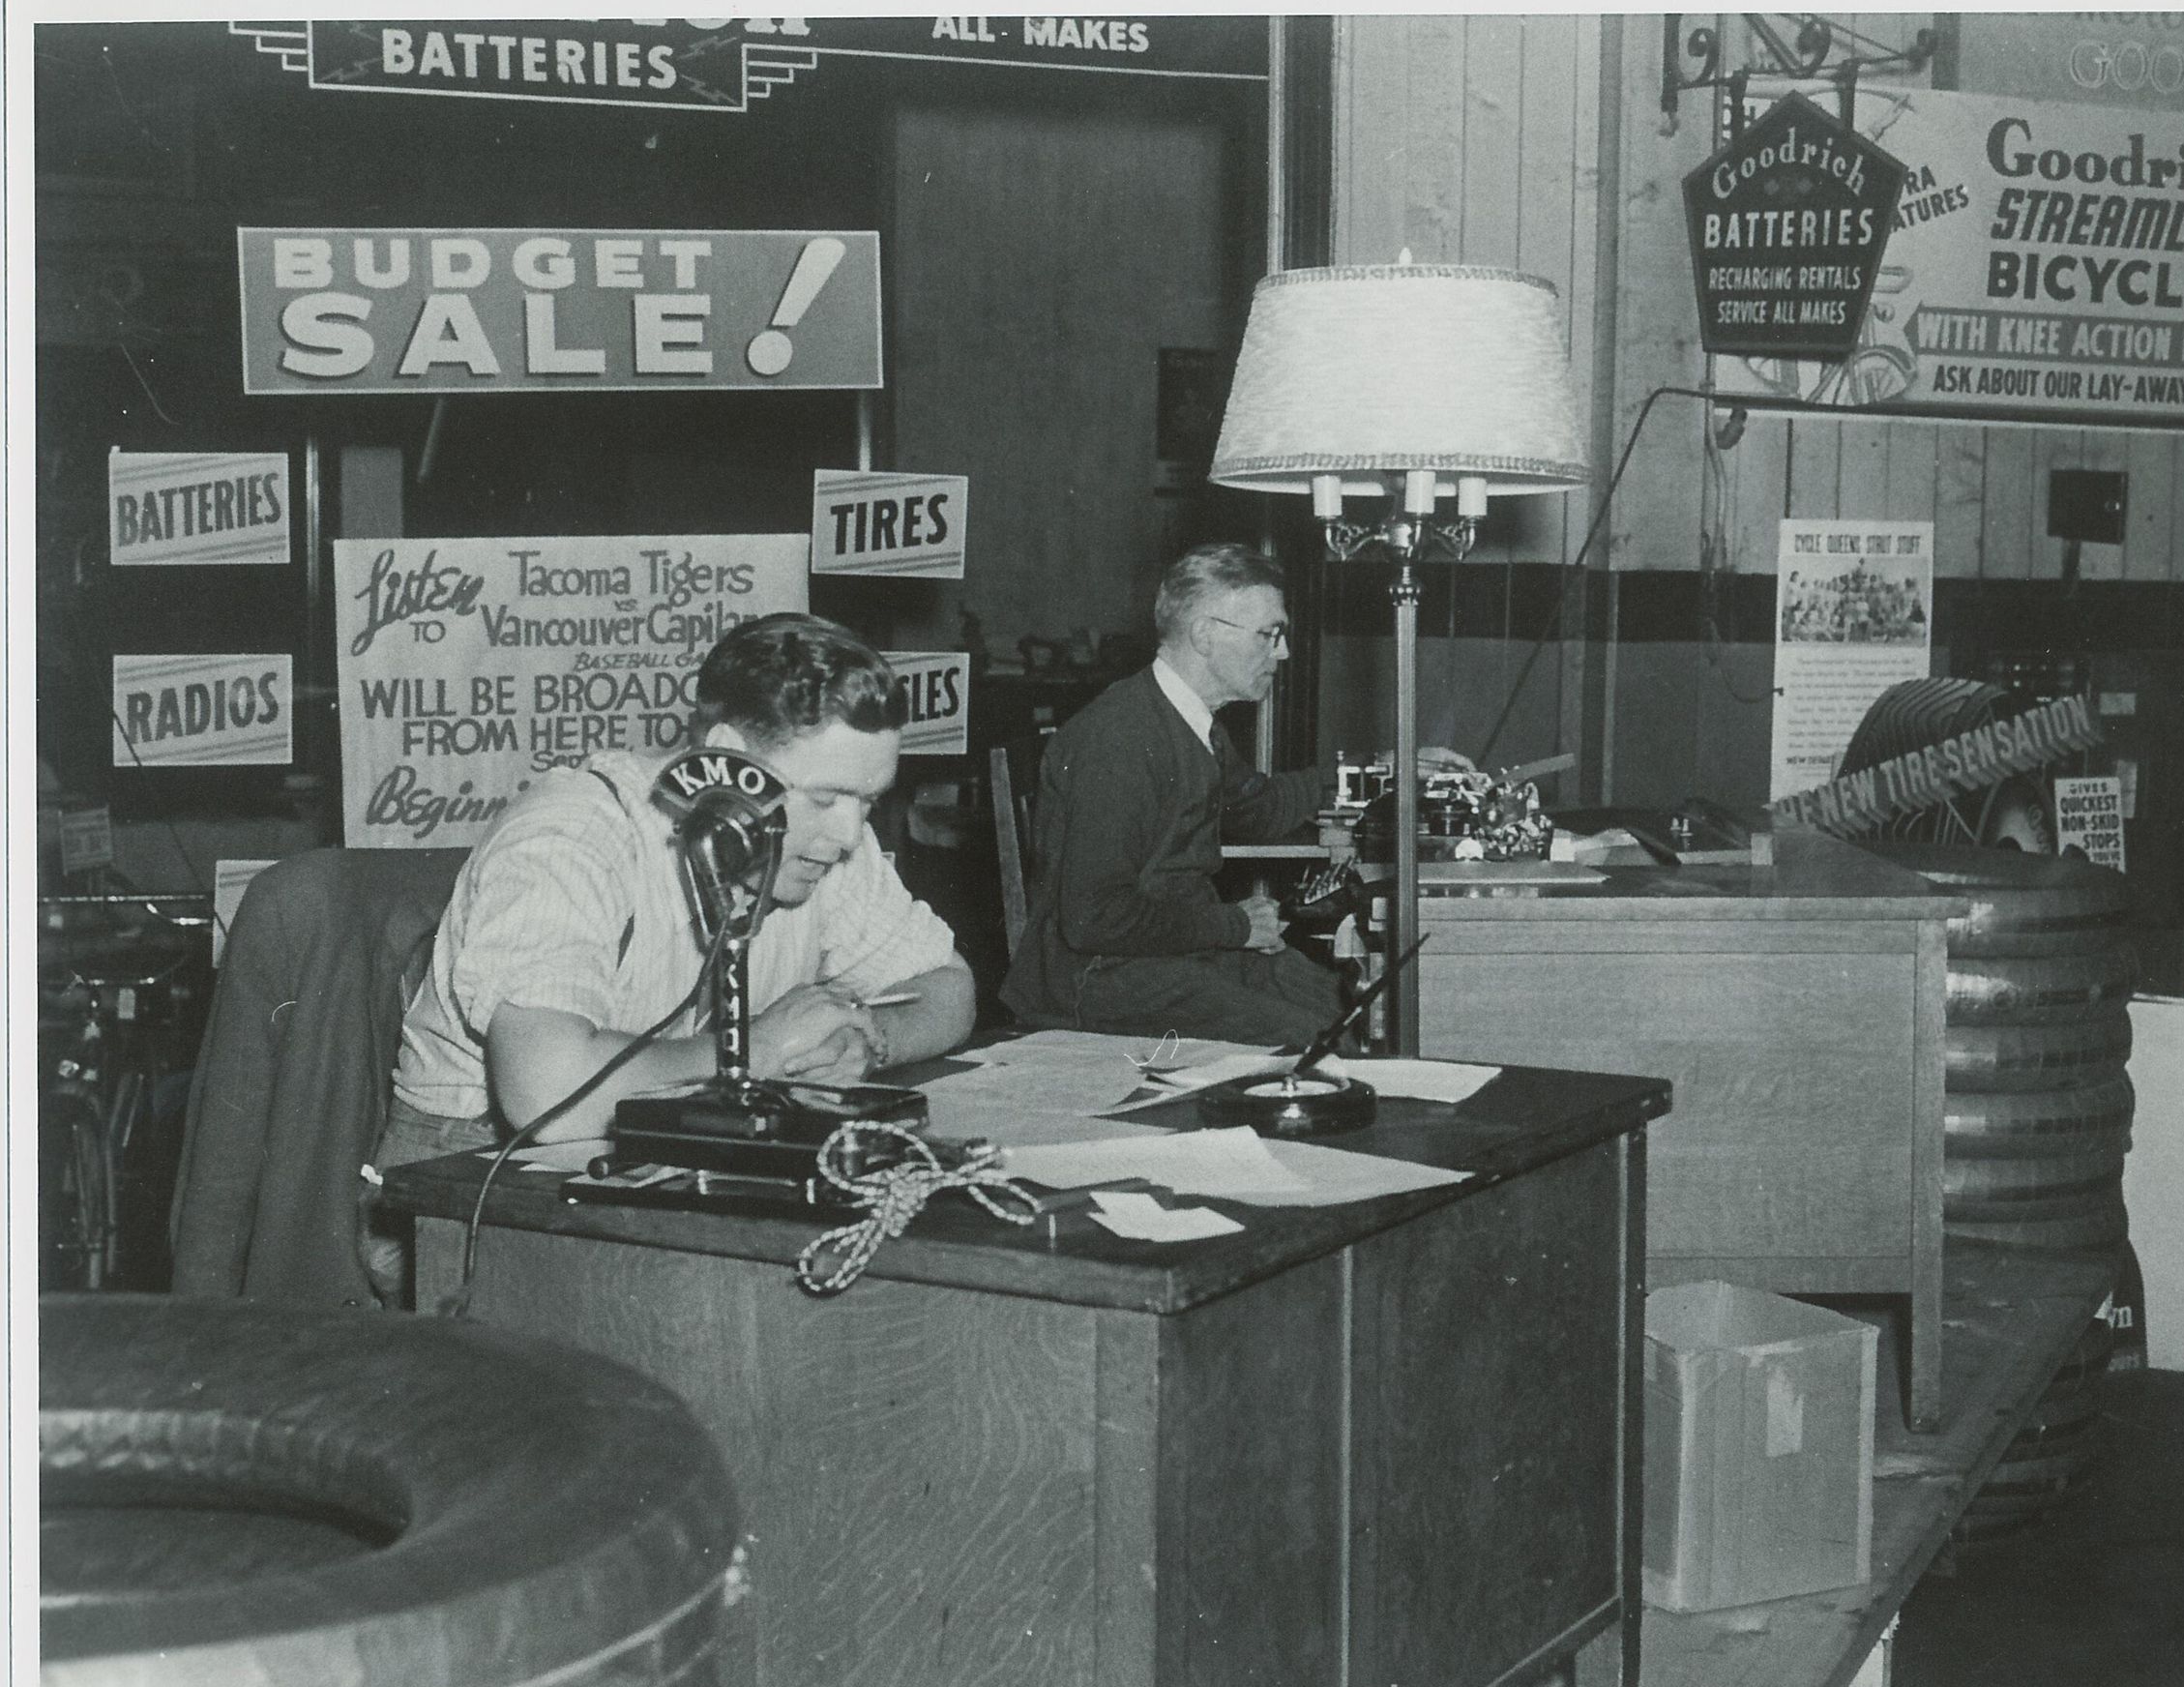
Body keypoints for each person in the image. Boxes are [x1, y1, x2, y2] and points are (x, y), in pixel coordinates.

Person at [369, 614, 976, 1301]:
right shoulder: (573, 834)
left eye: (867, 800)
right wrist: (757, 1051)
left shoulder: (821, 843)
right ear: (728, 759)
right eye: (826, 798)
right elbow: (547, 1097)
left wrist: (867, 1038)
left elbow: (948, 985)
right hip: (471, 1180)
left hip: (685, 1153)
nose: (848, 835)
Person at [1001, 541, 1468, 1044]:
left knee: (1370, 1013)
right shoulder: (1121, 739)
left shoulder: (1191, 723)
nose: (1282, 652)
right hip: (1099, 976)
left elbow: (1260, 809)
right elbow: (1093, 918)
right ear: (1205, 634)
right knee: (1326, 1041)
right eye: (1270, 634)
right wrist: (1235, 927)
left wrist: (1380, 765)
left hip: (1174, 951)